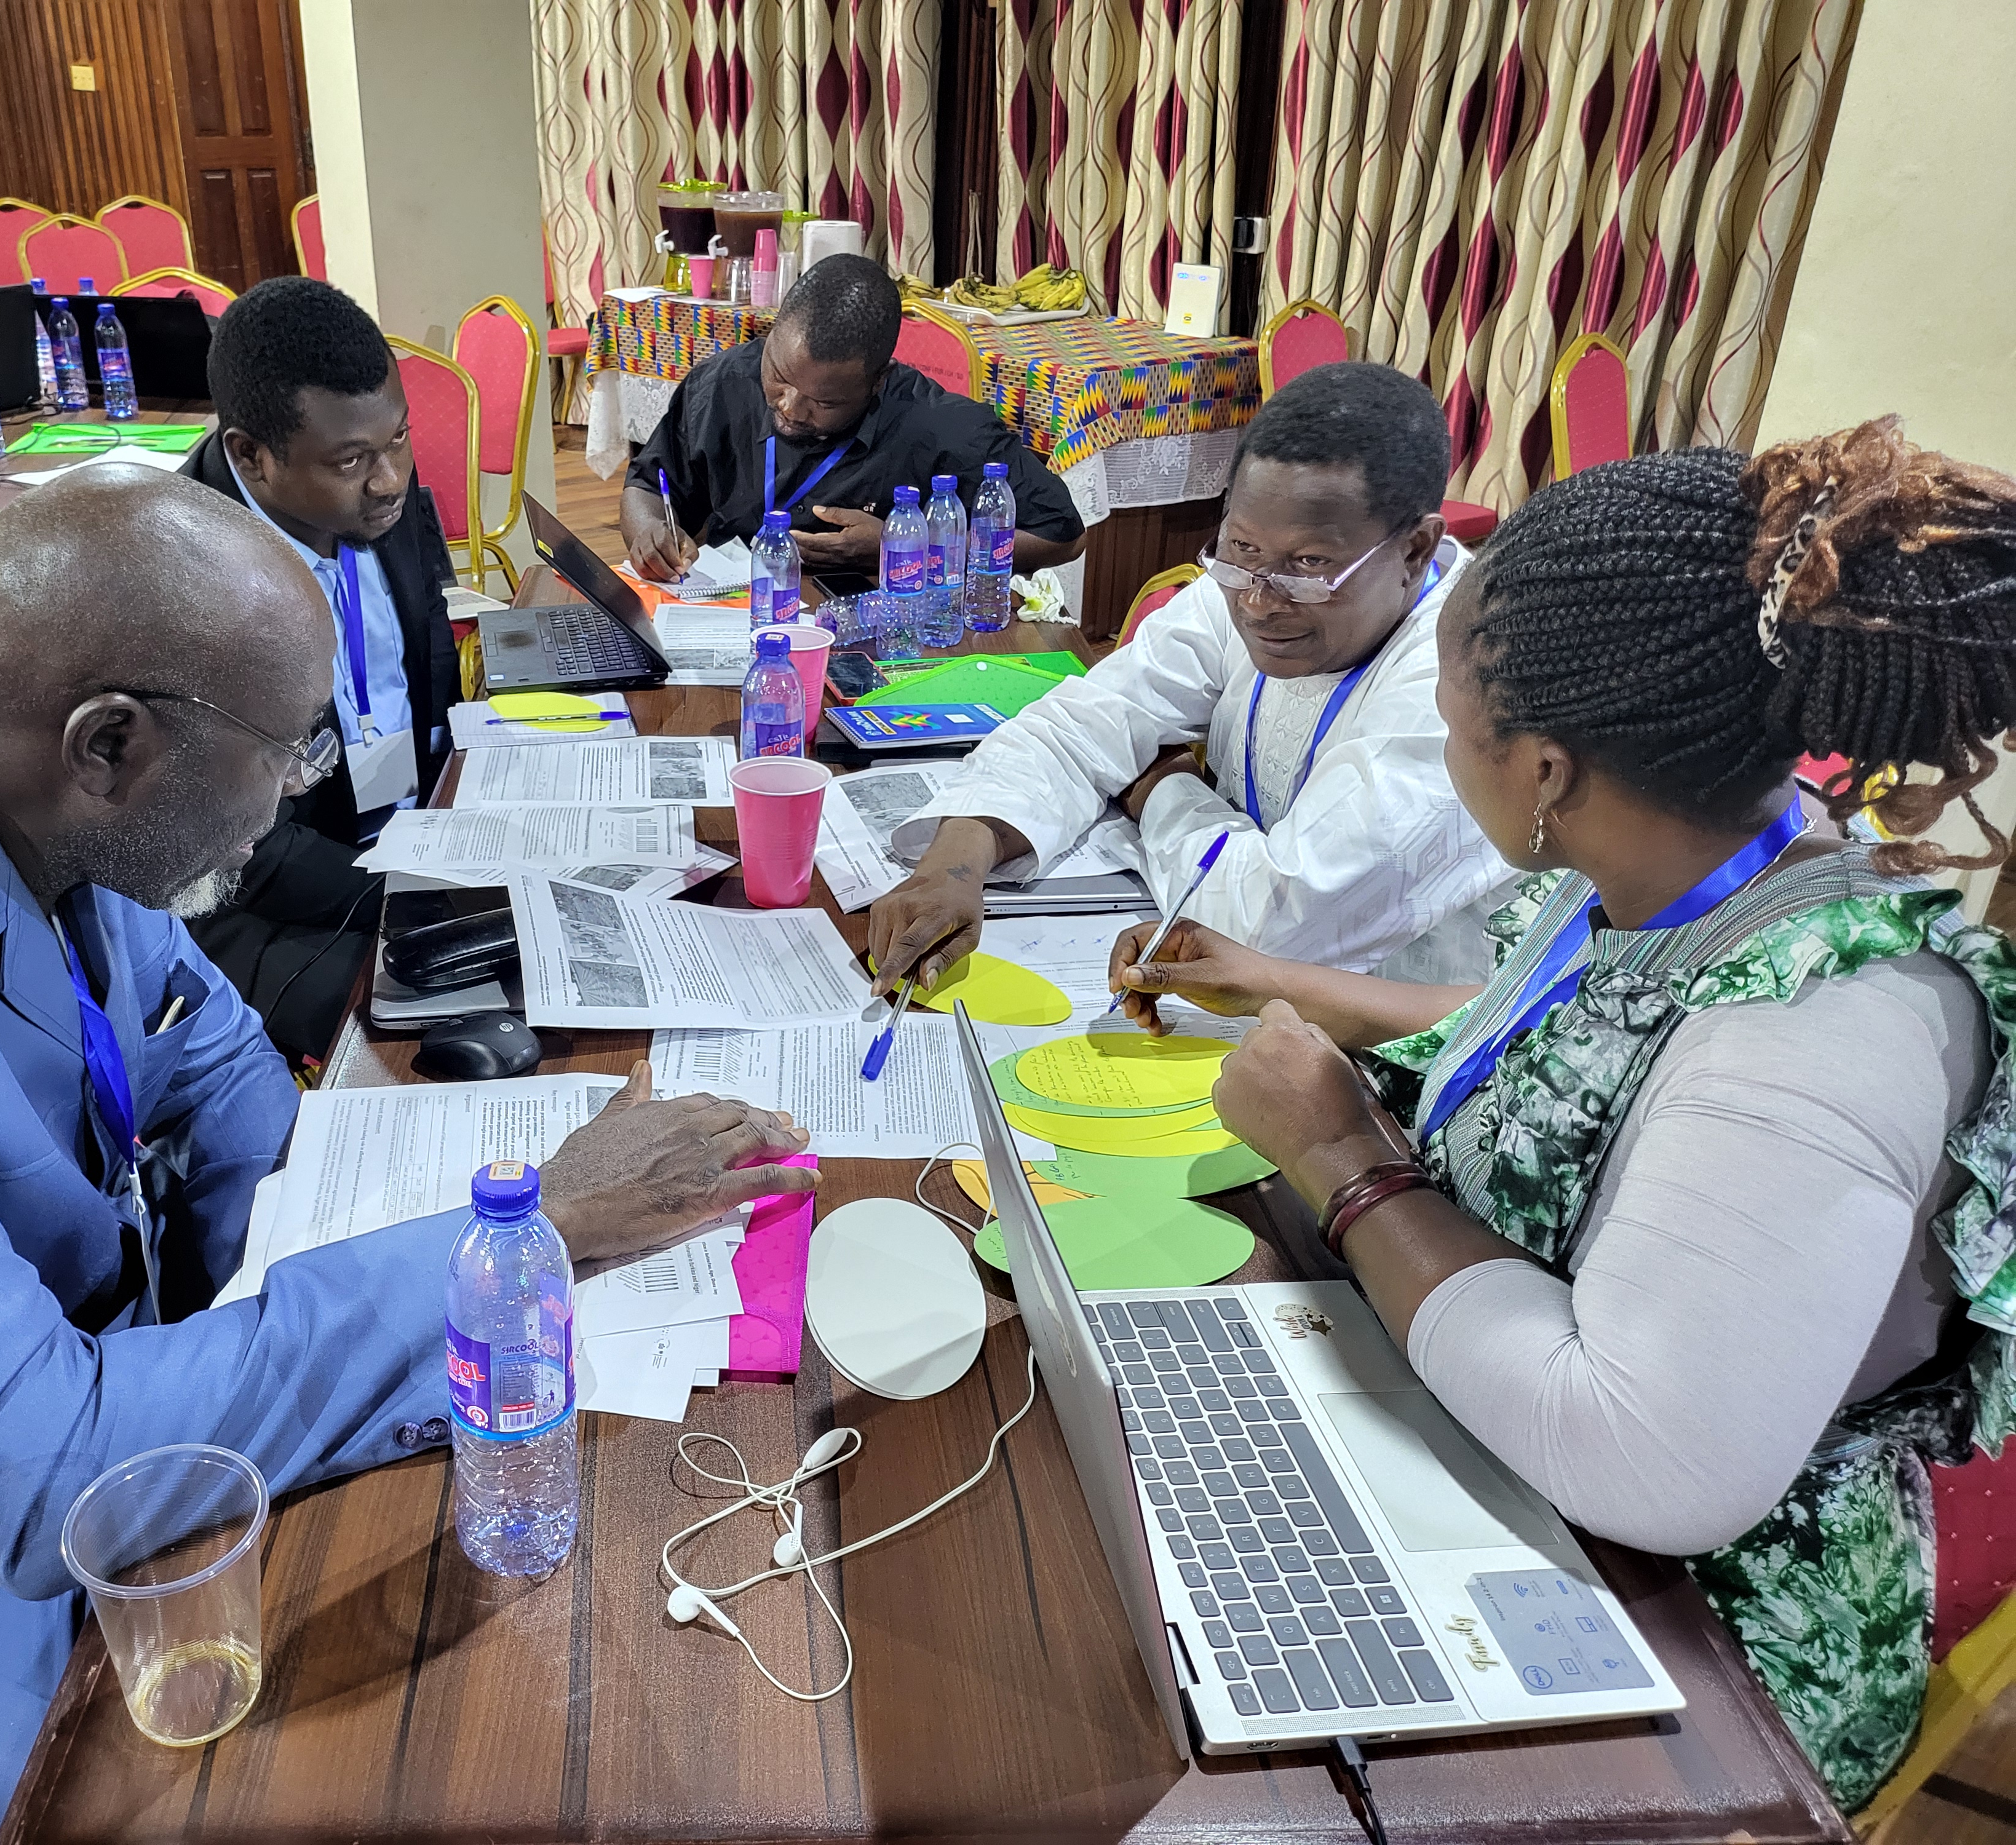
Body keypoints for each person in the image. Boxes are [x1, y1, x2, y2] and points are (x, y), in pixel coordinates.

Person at [0, 468, 816, 1845]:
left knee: (504, 1587)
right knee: (377, 1784)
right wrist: (529, 1234)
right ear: (109, 744)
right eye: (287, 754)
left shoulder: (11, 784)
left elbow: (220, 1076)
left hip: (62, 1409)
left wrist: (381, 1252)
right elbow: (42, 1476)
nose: (293, 795)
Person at [1142, 421, 2016, 1809]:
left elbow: (1650, 1462)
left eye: (1451, 726)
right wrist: (1278, 980)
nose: (1449, 751)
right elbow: (1574, 1057)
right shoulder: (1696, 851)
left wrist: (1337, 1153)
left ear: (1543, 770)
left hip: (1702, 1650)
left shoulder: (1819, 1029)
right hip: (1520, 1461)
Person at [868, 362, 1514, 998]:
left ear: (1414, 551)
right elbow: (1081, 722)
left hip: (1392, 1036)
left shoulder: (1461, 688)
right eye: (1240, 548)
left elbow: (1271, 930)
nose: (1257, 601)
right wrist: (956, 861)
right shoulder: (1251, 583)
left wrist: (1161, 789)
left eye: (1310, 564)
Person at [177, 276, 459, 1059]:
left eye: (398, 439)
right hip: (258, 909)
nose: (390, 478)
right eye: (352, 459)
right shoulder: (185, 588)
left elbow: (429, 653)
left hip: (406, 842)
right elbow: (245, 852)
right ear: (251, 455)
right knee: (437, 1036)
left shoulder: (370, 496)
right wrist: (424, 896)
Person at [621, 253, 1086, 585]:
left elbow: (1063, 536)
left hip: (877, 626)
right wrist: (648, 533)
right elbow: (647, 485)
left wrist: (909, 546)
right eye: (779, 377)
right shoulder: (721, 384)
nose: (790, 407)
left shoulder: (945, 429)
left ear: (878, 381)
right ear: (774, 332)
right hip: (729, 606)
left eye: (824, 403)